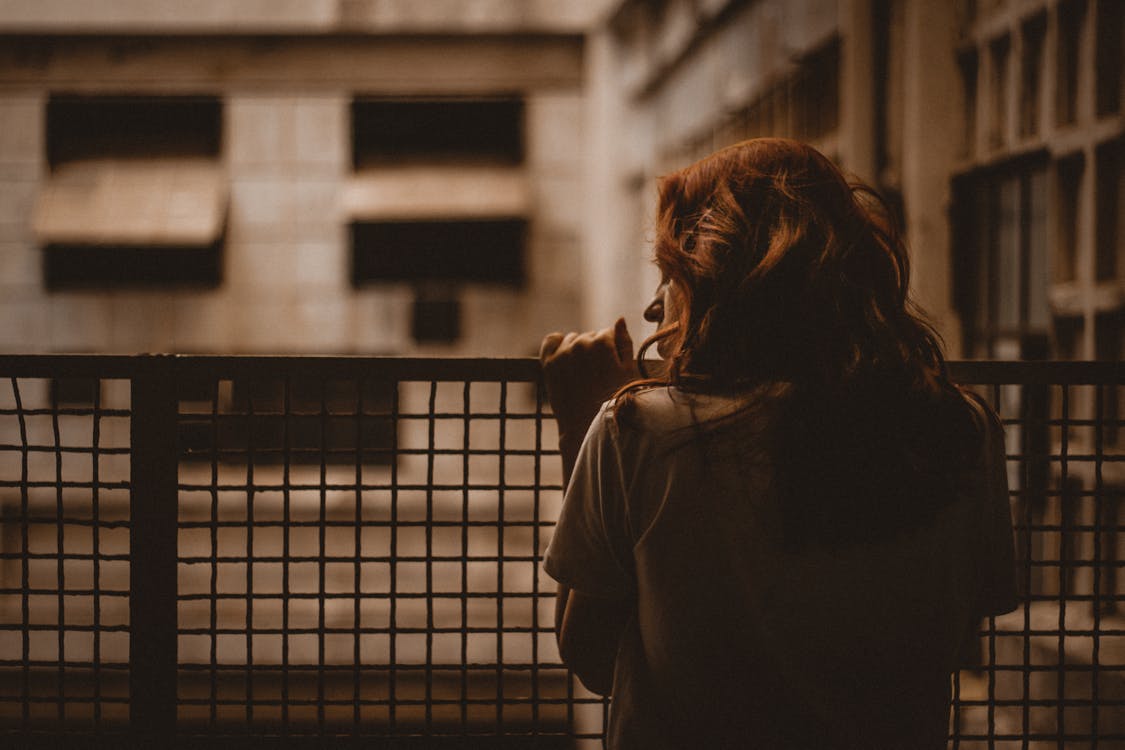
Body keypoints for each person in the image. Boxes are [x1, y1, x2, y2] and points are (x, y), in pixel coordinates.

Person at [538, 138, 1017, 749]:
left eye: (671, 274)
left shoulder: (639, 433)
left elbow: (589, 656)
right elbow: (960, 628)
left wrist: (580, 424)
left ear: (722, 278)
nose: (655, 306)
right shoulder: (961, 428)